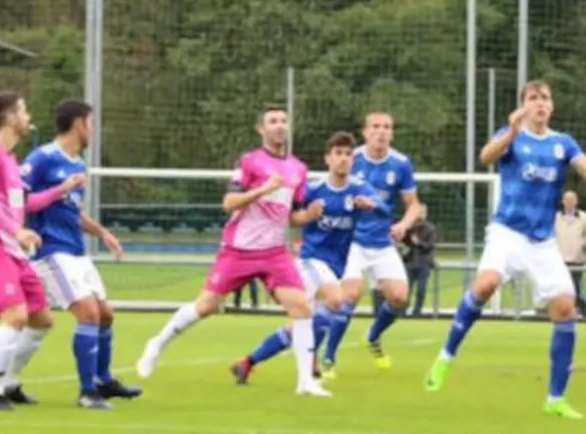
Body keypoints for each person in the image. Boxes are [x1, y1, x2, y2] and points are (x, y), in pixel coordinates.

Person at [424, 79, 586, 420]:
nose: (540, 103)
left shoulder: (563, 143)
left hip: (542, 242)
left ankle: (555, 397)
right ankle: (446, 356)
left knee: (565, 307)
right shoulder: (511, 134)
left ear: (552, 106)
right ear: (523, 105)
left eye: (545, 98)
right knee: (485, 285)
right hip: (507, 233)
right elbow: (485, 157)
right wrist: (511, 132)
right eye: (533, 98)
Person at [136, 104, 329, 396]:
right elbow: (229, 202)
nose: (279, 126)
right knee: (205, 306)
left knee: (301, 307)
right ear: (261, 129)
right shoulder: (250, 162)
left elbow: (291, 216)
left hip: (275, 252)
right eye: (272, 121)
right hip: (239, 250)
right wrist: (262, 189)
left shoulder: (298, 168)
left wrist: (309, 215)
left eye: (283, 121)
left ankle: (305, 382)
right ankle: (156, 344)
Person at [234, 131, 385, 385]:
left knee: (299, 328)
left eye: (348, 154)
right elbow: (290, 214)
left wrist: (372, 205)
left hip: (334, 266)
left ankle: (246, 363)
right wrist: (306, 217)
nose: (343, 159)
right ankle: (313, 359)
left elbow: (383, 208)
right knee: (337, 299)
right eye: (337, 153)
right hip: (310, 261)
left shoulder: (359, 188)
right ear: (327, 158)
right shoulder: (313, 189)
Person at [25, 99, 141, 408]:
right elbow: (23, 203)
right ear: (78, 123)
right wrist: (60, 188)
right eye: (91, 122)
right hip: (51, 250)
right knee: (88, 314)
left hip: (75, 250)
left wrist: (103, 233)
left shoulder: (77, 163)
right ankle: (87, 392)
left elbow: (73, 213)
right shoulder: (42, 158)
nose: (93, 129)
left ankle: (103, 381)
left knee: (105, 314)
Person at [0, 90, 53, 410]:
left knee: (41, 319)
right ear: (9, 116)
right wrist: (17, 230)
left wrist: (60, 191)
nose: (28, 118)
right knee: (15, 315)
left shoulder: (11, 160)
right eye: (24, 111)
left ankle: (10, 381)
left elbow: (23, 202)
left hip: (12, 250)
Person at [322, 112, 421, 377]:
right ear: (366, 132)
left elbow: (413, 205)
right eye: (376, 127)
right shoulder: (350, 159)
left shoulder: (400, 164)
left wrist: (403, 224)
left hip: (382, 242)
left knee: (400, 298)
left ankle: (373, 336)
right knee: (350, 295)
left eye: (387, 127)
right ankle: (329, 356)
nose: (382, 132)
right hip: (351, 240)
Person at [554, 190, 586, 318]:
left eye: (572, 200)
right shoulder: (556, 217)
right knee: (562, 287)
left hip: (577, 259)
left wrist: (582, 245)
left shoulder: (584, 217)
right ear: (563, 201)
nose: (569, 203)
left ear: (576, 202)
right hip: (560, 259)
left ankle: (580, 306)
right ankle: (569, 309)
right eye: (567, 200)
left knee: (574, 286)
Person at [404, 205, 437, 317]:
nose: (420, 215)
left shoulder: (430, 228)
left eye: (421, 212)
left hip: (424, 263)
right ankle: (403, 310)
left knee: (421, 289)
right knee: (407, 288)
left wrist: (419, 243)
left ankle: (417, 311)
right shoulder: (411, 227)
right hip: (411, 261)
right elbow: (405, 242)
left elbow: (430, 245)